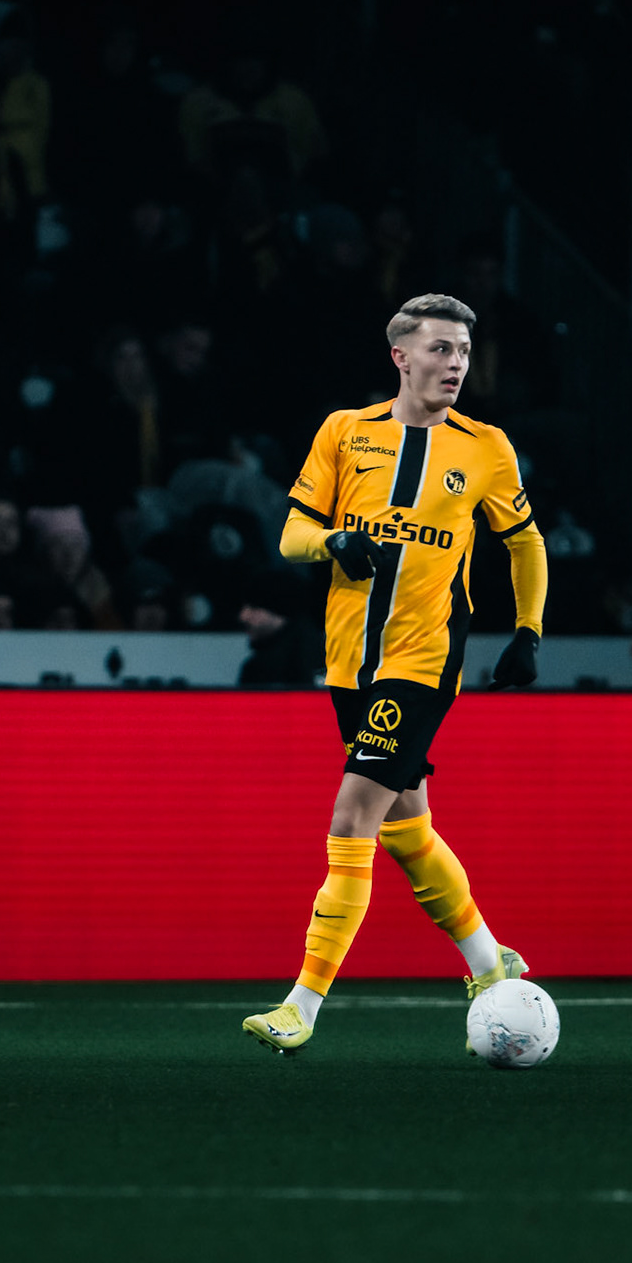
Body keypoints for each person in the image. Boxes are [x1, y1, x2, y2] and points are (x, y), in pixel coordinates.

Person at [241, 293, 548, 1055]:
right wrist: (335, 544)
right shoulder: (346, 432)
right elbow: (291, 534)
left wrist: (527, 631)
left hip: (424, 659)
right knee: (408, 828)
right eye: (440, 350)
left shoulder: (487, 447)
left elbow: (526, 541)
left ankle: (301, 1007)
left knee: (352, 819)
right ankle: (490, 961)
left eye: (464, 353)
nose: (455, 366)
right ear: (400, 356)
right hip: (350, 660)